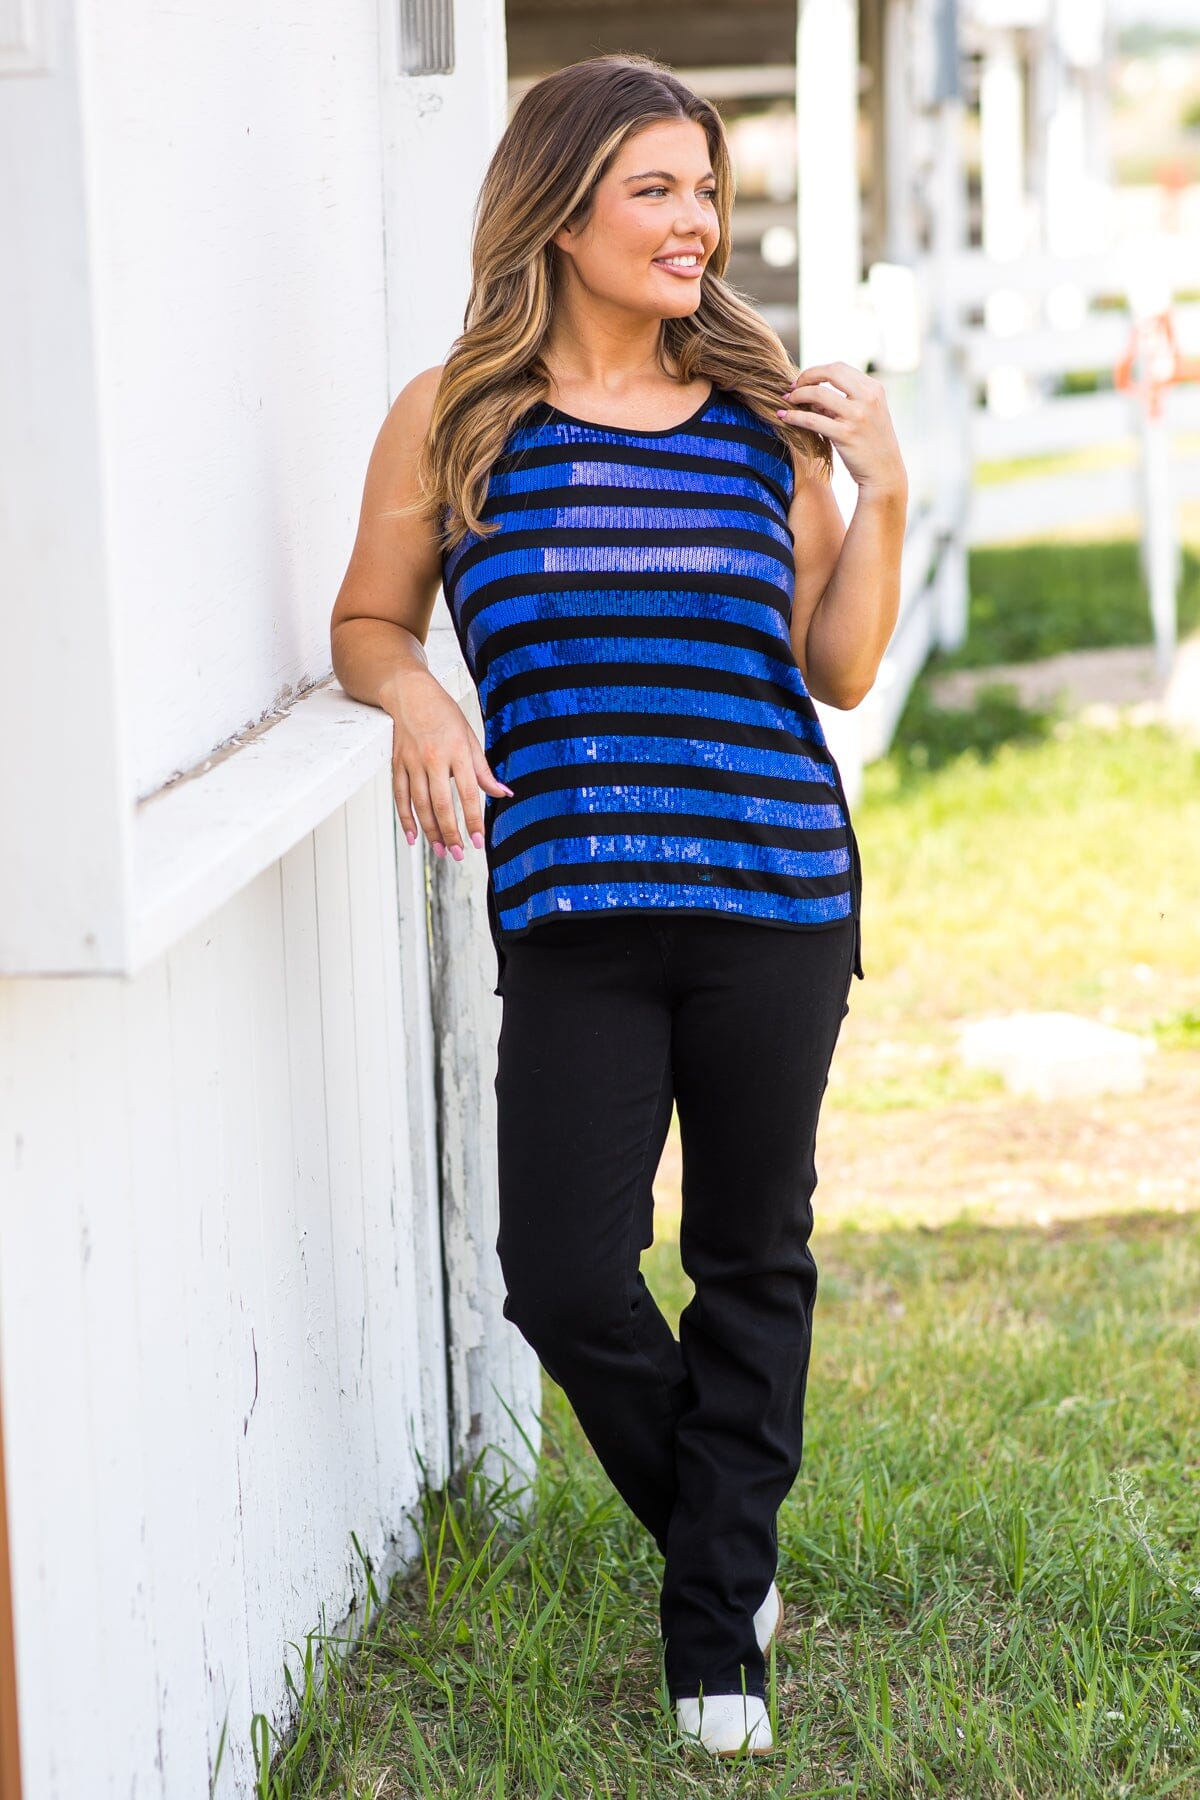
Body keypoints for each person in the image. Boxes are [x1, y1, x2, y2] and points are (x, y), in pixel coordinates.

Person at [330, 51, 906, 1760]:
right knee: (565, 1274)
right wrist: (417, 696)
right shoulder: (455, 415)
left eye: (707, 192)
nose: (696, 223)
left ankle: (712, 1633)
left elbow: (845, 669)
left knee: (751, 1254)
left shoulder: (754, 420)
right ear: (559, 209)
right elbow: (369, 622)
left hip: (772, 896)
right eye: (656, 188)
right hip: (574, 908)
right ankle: (725, 1558)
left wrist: (888, 487)